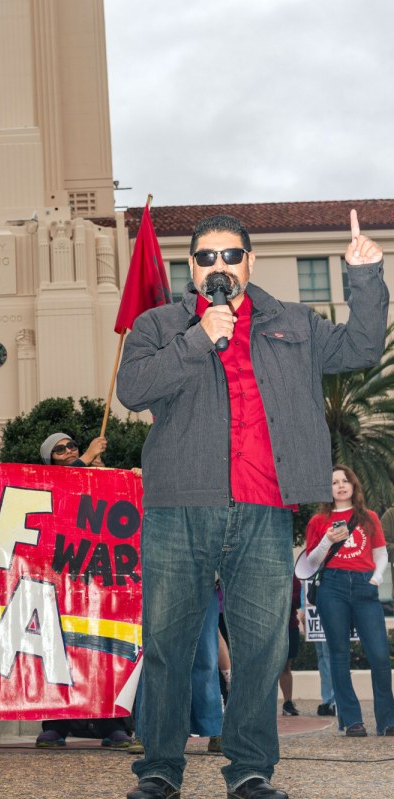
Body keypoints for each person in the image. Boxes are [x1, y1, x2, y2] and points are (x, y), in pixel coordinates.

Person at [116, 211, 387, 799]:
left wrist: (365, 278)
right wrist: (198, 338)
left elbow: (364, 345)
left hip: (264, 509)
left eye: (230, 256)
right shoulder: (160, 325)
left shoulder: (294, 323)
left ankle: (250, 771)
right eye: (207, 258)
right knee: (167, 644)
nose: (220, 267)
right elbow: (133, 390)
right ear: (192, 268)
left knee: (263, 648)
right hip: (179, 507)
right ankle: (160, 769)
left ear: (250, 262)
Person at [35, 431, 132, 748]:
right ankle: (55, 725)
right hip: (63, 582)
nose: (67, 451)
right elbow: (60, 486)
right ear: (48, 461)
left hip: (102, 581)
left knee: (106, 653)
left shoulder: (103, 479)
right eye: (58, 450)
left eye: (71, 446)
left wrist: (104, 472)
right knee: (60, 653)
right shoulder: (48, 481)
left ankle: (112, 723)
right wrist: (86, 457)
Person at [303, 465, 393, 737]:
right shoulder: (318, 521)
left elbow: (380, 553)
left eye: (345, 481)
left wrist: (377, 577)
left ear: (354, 485)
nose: (340, 486)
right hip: (333, 585)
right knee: (338, 654)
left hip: (365, 586)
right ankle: (352, 720)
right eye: (334, 482)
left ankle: (387, 720)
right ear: (327, 489)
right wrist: (327, 541)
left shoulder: (369, 518)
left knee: (379, 655)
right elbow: (311, 563)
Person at [279, 576, 302, 718]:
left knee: (286, 665)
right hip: (268, 627)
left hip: (289, 626)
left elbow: (296, 601)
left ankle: (288, 702)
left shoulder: (292, 577)